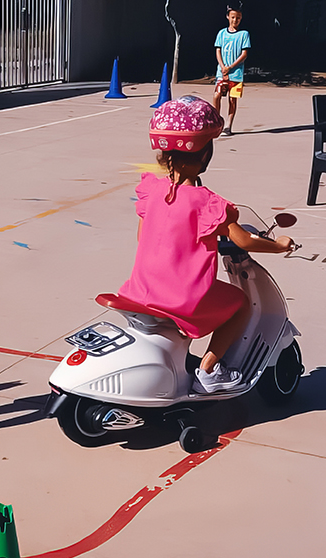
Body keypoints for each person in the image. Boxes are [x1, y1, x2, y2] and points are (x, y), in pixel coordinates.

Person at [124, 96, 294, 394]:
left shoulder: (151, 189)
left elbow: (143, 236)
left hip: (141, 288)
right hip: (180, 296)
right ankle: (209, 369)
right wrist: (279, 245)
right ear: (205, 156)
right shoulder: (207, 203)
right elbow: (244, 240)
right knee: (240, 305)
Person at [212, 3, 251, 136]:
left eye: (238, 18)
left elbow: (244, 54)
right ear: (228, 17)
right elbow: (218, 51)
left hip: (236, 74)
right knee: (217, 94)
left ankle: (228, 125)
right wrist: (223, 67)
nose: (235, 20)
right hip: (221, 73)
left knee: (232, 99)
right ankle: (216, 121)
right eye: (233, 17)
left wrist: (231, 67)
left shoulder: (244, 34)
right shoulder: (221, 33)